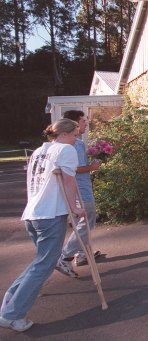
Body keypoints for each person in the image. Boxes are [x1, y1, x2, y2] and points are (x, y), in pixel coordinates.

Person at [0, 119, 86, 332]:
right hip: (50, 215)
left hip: (33, 214)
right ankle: (13, 314)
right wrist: (75, 209)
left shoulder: (39, 151)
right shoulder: (66, 150)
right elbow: (68, 181)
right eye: (75, 134)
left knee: (40, 262)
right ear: (64, 134)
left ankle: (10, 301)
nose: (77, 138)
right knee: (45, 265)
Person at [55, 110, 101, 278]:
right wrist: (93, 167)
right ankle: (65, 256)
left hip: (78, 190)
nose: (85, 123)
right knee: (86, 223)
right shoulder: (73, 144)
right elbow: (75, 170)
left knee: (80, 223)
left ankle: (81, 254)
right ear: (74, 123)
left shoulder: (75, 143)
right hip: (80, 191)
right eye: (83, 121)